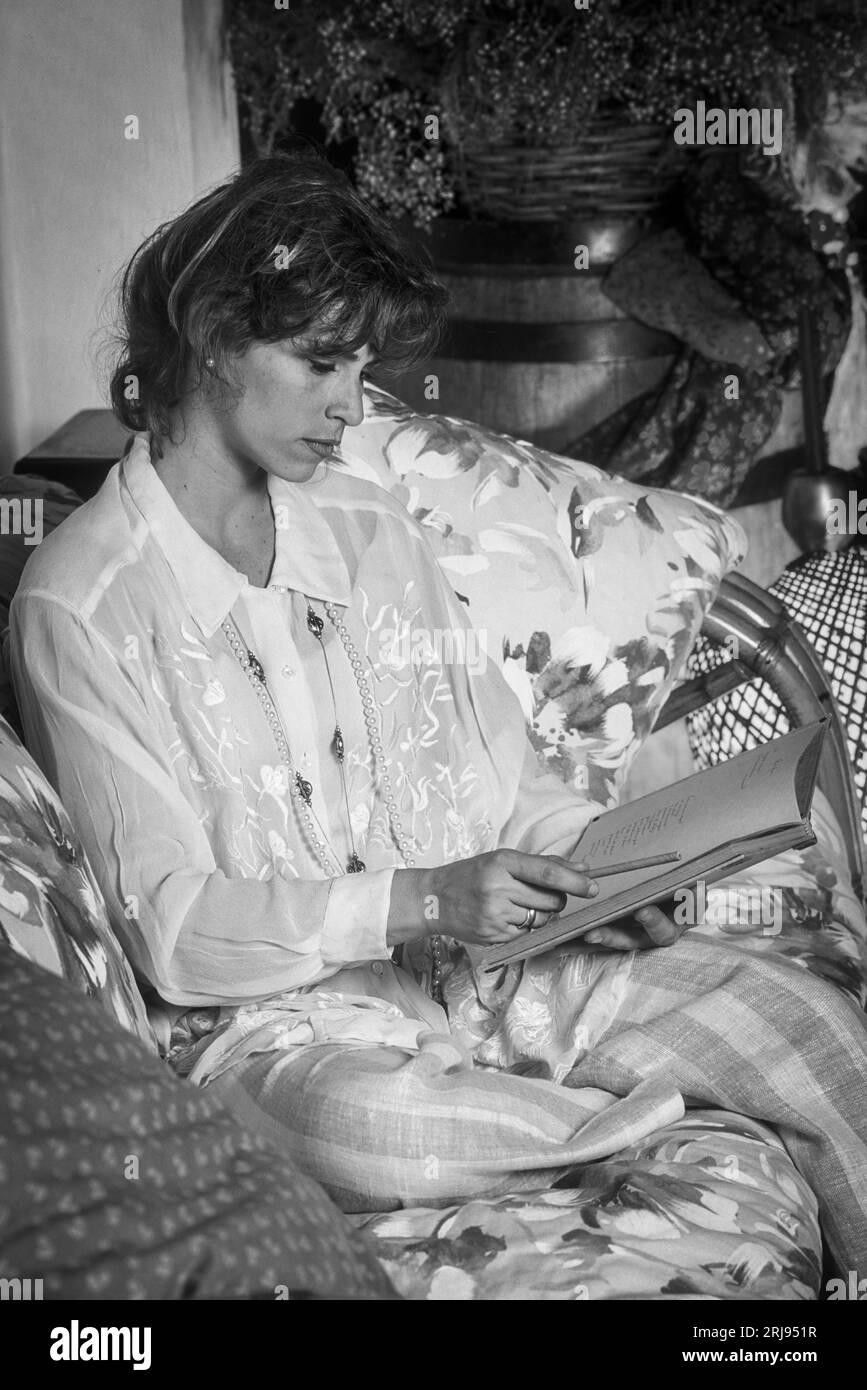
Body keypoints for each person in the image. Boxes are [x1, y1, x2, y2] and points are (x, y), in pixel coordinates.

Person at [9, 152, 867, 1274]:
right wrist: (415, 897)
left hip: (484, 977)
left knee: (803, 1017)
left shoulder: (367, 527)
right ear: (214, 337)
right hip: (284, 1043)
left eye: (360, 366)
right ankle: (641, 1124)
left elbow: (514, 780)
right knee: (363, 1123)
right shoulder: (78, 602)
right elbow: (171, 927)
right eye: (321, 363)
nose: (350, 406)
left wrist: (595, 882)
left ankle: (623, 1108)